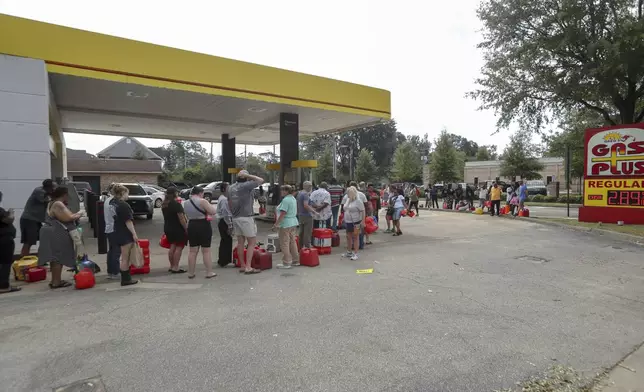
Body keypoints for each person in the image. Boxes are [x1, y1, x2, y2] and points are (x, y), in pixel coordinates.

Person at [38, 186, 81, 289]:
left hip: (50, 231)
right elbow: (67, 218)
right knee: (58, 257)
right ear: (64, 195)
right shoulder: (58, 204)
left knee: (54, 257)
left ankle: (55, 280)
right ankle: (56, 282)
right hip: (55, 233)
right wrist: (79, 214)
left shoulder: (51, 203)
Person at [229, 170, 264, 274]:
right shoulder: (245, 186)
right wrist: (247, 175)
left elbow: (229, 202)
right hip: (246, 217)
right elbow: (260, 180)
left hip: (235, 217)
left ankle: (243, 265)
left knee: (240, 242)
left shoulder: (231, 187)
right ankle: (248, 267)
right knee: (252, 242)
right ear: (245, 178)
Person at [183, 186, 217, 279]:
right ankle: (209, 272)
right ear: (200, 193)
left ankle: (191, 273)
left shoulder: (185, 203)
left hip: (192, 225)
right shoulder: (203, 201)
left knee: (192, 251)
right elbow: (213, 211)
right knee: (206, 250)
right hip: (203, 225)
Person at [110, 185, 140, 286]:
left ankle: (125, 277)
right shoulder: (124, 205)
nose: (128, 195)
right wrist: (134, 234)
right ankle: (126, 279)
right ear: (122, 193)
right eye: (127, 193)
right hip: (124, 233)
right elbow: (128, 221)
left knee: (123, 256)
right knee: (125, 257)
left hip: (116, 231)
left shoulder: (113, 203)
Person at [20, 179, 55, 257]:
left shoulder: (47, 191)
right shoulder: (39, 191)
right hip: (29, 220)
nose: (53, 190)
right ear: (48, 187)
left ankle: (41, 259)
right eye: (52, 188)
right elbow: (49, 201)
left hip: (36, 220)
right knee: (28, 242)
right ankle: (25, 263)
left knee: (44, 238)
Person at [272, 185, 300, 269]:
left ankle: (286, 262)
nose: (281, 192)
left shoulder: (285, 200)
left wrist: (276, 224)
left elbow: (283, 213)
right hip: (293, 222)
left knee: (284, 243)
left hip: (285, 223)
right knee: (292, 241)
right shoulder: (293, 199)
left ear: (286, 191)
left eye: (282, 190)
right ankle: (296, 260)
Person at [161, 187, 188, 274]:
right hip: (177, 229)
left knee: (172, 246)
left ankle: (171, 266)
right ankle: (176, 267)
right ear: (175, 193)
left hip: (168, 228)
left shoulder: (164, 204)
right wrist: (186, 228)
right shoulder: (176, 204)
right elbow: (181, 219)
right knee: (179, 247)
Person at [0, 191, 20, 294]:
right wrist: (11, 212)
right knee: (5, 263)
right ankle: (3, 286)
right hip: (4, 239)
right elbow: (8, 220)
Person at [103, 183, 121, 279]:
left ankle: (110, 271)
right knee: (116, 251)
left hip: (109, 228)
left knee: (111, 251)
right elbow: (116, 215)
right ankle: (115, 272)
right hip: (114, 228)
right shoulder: (113, 202)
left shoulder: (107, 200)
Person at [342, 186, 365, 261]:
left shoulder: (358, 201)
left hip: (356, 221)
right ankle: (349, 252)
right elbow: (345, 209)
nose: (347, 194)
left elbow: (362, 210)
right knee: (348, 236)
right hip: (348, 221)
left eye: (348, 193)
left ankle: (356, 253)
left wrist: (363, 221)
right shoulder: (348, 200)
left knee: (355, 237)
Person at [216, 183, 234, 267]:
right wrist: (230, 225)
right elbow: (225, 213)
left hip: (223, 221)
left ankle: (224, 260)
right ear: (224, 189)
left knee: (225, 240)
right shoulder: (223, 199)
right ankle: (224, 260)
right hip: (225, 221)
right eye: (228, 188)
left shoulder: (223, 198)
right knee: (226, 240)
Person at [296, 181, 316, 249]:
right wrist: (314, 211)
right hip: (307, 215)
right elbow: (306, 205)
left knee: (301, 231)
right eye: (309, 186)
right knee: (307, 232)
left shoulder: (299, 193)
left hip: (301, 215)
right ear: (304, 186)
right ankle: (308, 246)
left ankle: (300, 246)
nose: (310, 187)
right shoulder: (305, 194)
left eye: (310, 186)